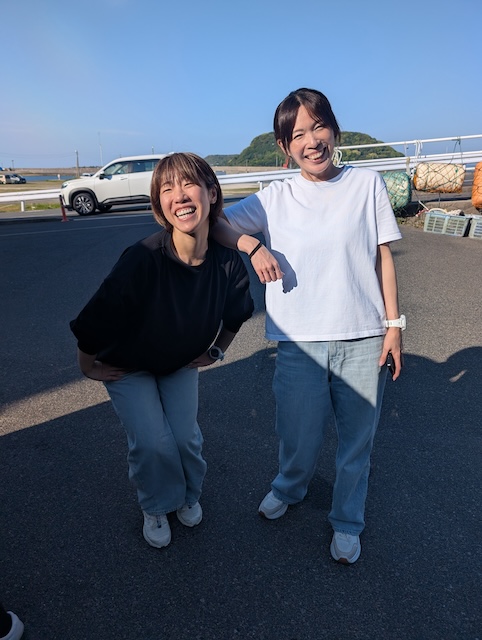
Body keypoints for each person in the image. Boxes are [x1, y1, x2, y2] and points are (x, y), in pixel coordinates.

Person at [212, 88, 404, 564]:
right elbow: (216, 225)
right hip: (297, 341)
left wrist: (394, 326)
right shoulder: (275, 198)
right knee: (297, 433)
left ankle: (347, 520)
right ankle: (290, 487)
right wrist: (253, 246)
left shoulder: (366, 185)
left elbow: (384, 257)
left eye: (318, 127)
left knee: (357, 441)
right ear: (284, 146)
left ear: (334, 130)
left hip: (363, 336)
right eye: (297, 134)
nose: (311, 141)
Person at [70, 153, 254, 549]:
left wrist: (216, 351)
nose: (179, 196)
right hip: (127, 365)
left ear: (211, 193)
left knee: (185, 438)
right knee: (153, 441)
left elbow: (238, 313)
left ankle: (187, 494)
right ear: (159, 205)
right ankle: (155, 503)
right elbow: (96, 318)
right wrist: (89, 367)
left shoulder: (226, 263)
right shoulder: (143, 258)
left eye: (189, 184)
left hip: (179, 361)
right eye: (167, 189)